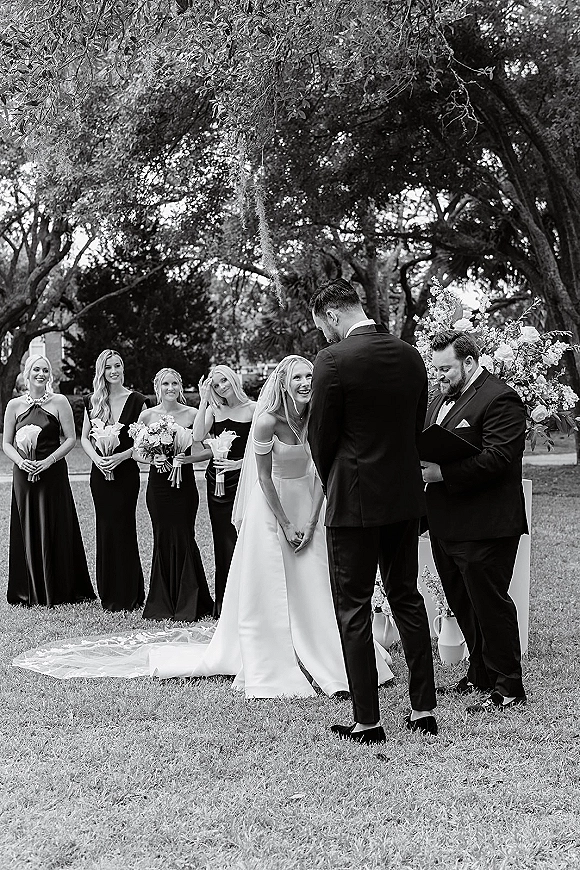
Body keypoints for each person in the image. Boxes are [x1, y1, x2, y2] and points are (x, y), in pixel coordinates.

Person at [14, 356, 393, 695]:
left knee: (317, 583)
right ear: (282, 382)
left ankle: (329, 652)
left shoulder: (316, 420)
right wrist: (286, 523)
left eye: (311, 375)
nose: (306, 382)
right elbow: (259, 477)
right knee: (269, 583)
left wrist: (310, 524)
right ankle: (274, 650)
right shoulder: (264, 422)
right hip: (271, 509)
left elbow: (323, 475)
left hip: (310, 508)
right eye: (298, 377)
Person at [308, 278, 437, 744]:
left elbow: (320, 436)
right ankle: (424, 709)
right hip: (404, 498)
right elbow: (417, 424)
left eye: (322, 326)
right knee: (407, 597)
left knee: (353, 606)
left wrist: (336, 480)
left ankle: (368, 721)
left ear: (332, 314)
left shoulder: (334, 360)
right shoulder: (410, 355)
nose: (324, 335)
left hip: (355, 501)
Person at [421, 330, 528, 711]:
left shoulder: (501, 398)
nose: (440, 377)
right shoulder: (439, 400)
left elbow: (500, 458)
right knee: (462, 601)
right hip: (446, 521)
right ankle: (479, 674)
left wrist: (443, 474)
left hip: (487, 523)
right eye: (436, 369)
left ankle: (509, 687)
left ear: (469, 362)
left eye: (445, 368)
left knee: (489, 603)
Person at [3, 354, 95, 607]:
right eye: (36, 369)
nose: (40, 374)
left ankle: (61, 588)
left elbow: (70, 439)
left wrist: (47, 462)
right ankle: (29, 588)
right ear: (27, 373)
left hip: (52, 473)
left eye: (45, 369)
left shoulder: (59, 402)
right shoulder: (14, 405)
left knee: (55, 523)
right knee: (27, 523)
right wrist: (23, 463)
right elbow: (6, 443)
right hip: (24, 474)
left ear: (49, 374)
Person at [134, 367, 214, 621]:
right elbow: (136, 452)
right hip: (158, 487)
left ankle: (191, 600)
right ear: (157, 387)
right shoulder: (147, 415)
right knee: (162, 537)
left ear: (180, 386)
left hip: (184, 486)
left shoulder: (192, 414)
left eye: (175, 384)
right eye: (165, 384)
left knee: (184, 536)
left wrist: (185, 458)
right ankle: (162, 601)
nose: (170, 388)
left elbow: (209, 449)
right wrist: (153, 459)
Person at [80, 349, 148, 612]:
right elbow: (84, 438)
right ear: (102, 371)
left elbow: (142, 444)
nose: (114, 371)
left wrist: (121, 456)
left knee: (125, 528)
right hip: (100, 473)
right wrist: (97, 460)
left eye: (118, 365)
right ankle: (108, 592)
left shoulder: (138, 400)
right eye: (108, 367)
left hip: (126, 474)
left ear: (123, 368)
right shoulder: (92, 401)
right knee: (105, 529)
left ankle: (131, 593)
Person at [193, 365, 256, 617]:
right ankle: (225, 605)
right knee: (222, 539)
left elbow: (262, 447)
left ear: (233, 379)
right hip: (217, 479)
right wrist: (203, 401)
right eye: (216, 384)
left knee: (243, 537)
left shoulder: (252, 409)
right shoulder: (213, 409)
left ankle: (247, 602)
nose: (221, 387)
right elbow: (198, 435)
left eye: (223, 381)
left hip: (244, 479)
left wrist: (238, 464)